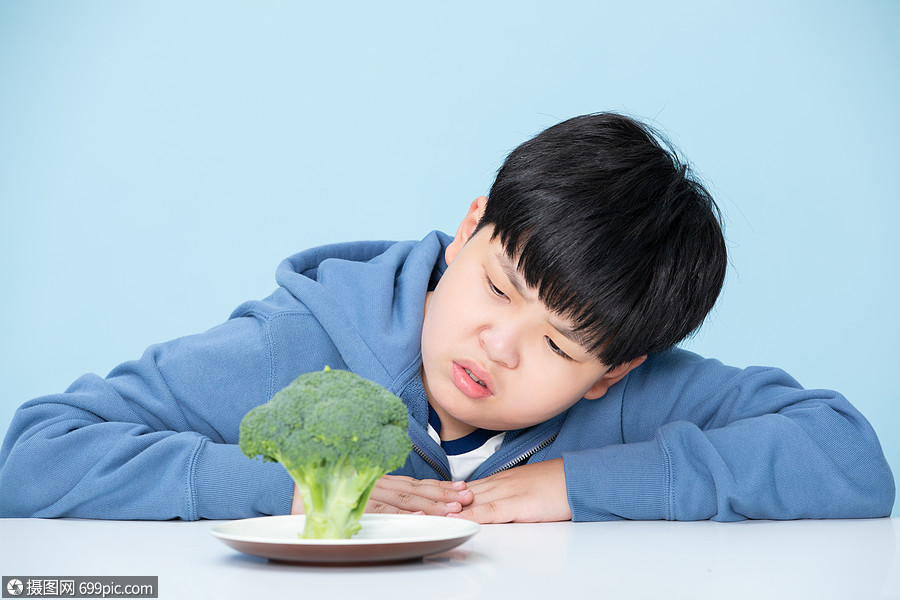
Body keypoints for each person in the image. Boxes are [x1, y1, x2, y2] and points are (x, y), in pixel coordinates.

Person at [0, 113, 894, 522]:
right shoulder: (294, 350)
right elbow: (33, 455)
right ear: (470, 226)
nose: (498, 347)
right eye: (499, 287)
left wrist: (579, 489)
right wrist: (294, 489)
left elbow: (849, 458)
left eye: (558, 344)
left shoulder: (631, 397)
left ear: (613, 372)